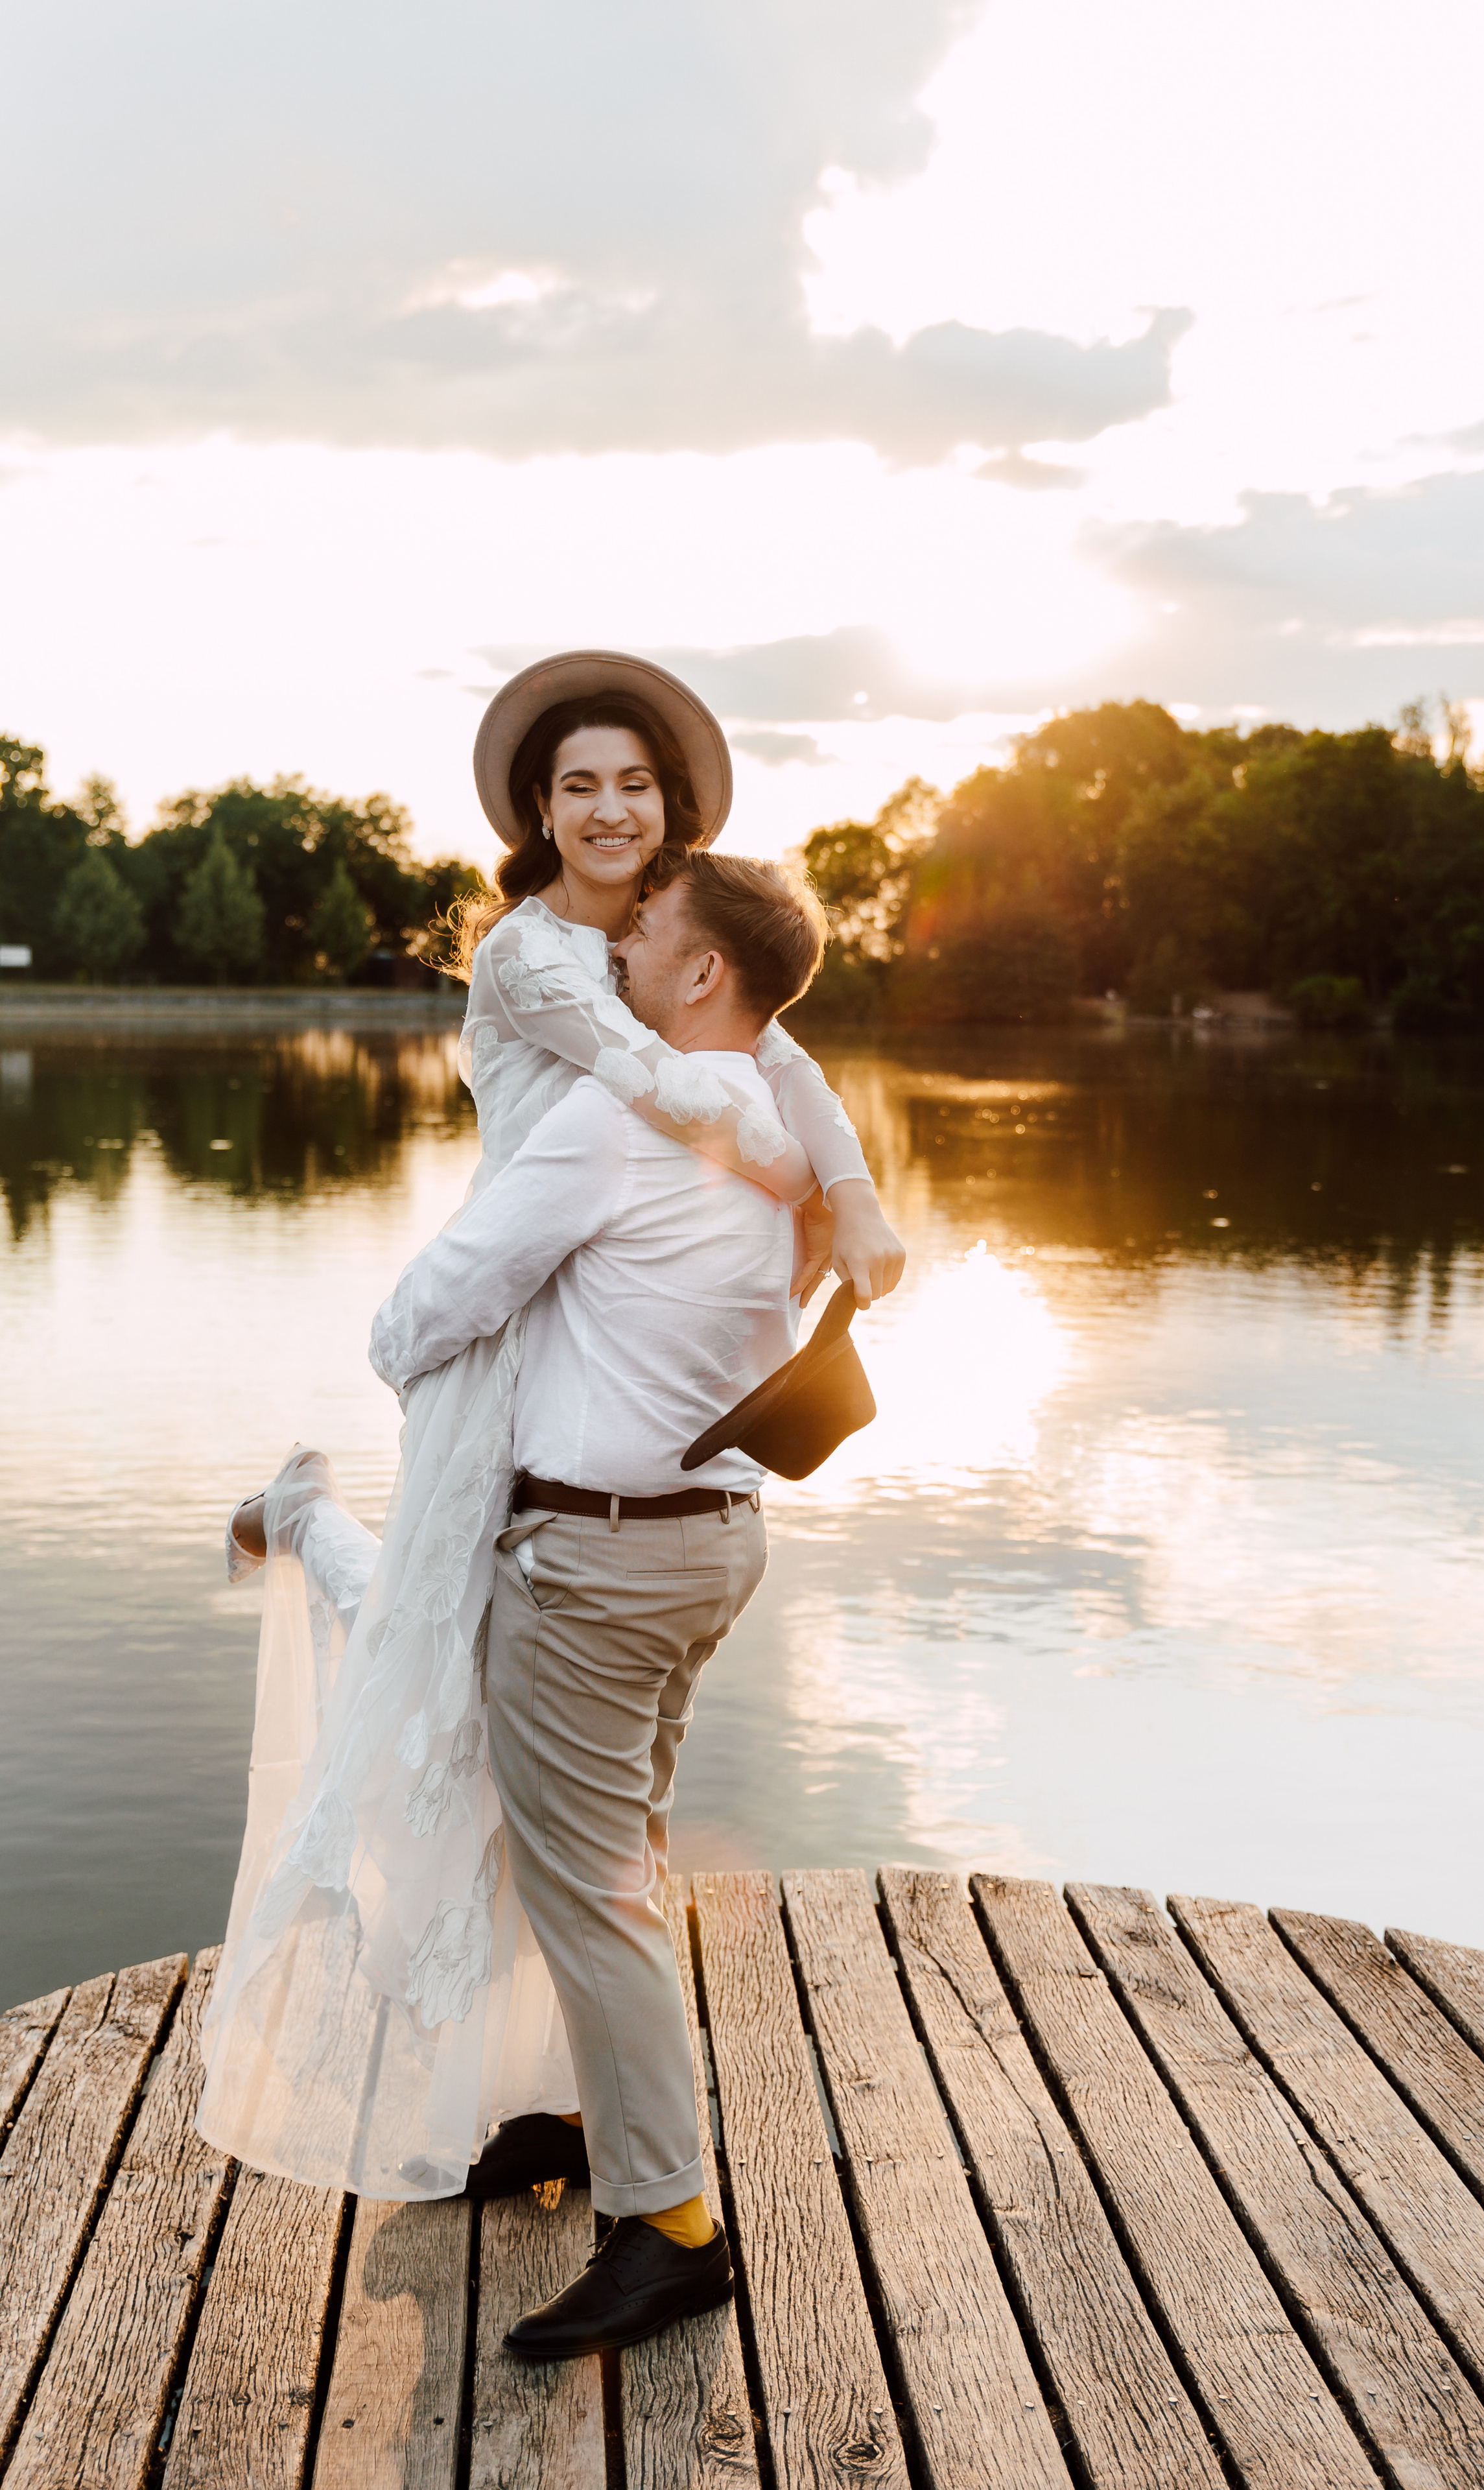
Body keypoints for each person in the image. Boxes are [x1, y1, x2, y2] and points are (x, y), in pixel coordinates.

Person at [198, 654, 903, 2201]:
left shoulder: (688, 939)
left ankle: (580, 2112)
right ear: (537, 806)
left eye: (632, 784)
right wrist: (788, 1181)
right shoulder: (539, 958)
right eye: (577, 783)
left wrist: (847, 1189)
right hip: (512, 1324)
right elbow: (673, 1080)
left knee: (512, 1734)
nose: (606, 809)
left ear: (672, 805)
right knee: (444, 1680)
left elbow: (784, 1058)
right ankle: (311, 1518)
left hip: (589, 1326)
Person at [371, 848, 819, 2354]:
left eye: (647, 942)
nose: (615, 958)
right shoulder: (773, 1125)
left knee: (587, 1886)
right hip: (706, 1544)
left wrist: (392, 1345)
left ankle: (674, 2223)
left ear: (702, 976)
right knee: (614, 1848)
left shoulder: (622, 1112)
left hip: (596, 1561)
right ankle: (577, 2114)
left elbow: (450, 1291)